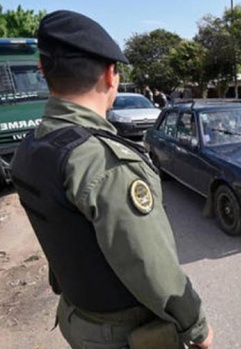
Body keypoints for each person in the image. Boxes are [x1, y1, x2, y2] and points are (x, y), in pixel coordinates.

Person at [11, 10, 213, 349]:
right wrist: (196, 327)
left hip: (78, 318)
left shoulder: (32, 147)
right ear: (110, 75)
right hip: (122, 335)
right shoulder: (104, 162)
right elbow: (151, 265)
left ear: (43, 70)